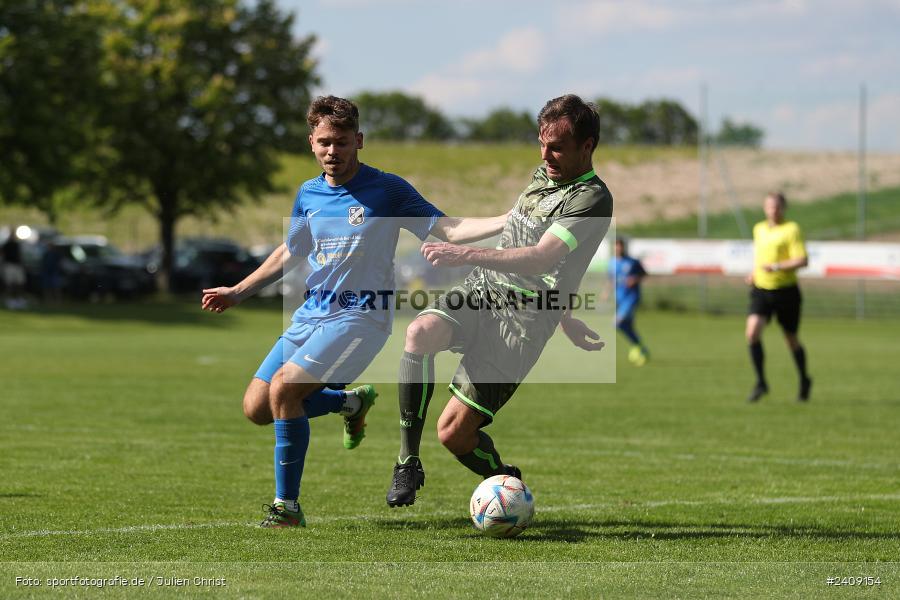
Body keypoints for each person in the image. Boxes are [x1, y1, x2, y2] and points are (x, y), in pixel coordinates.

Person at [200, 96, 506, 528]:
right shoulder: (308, 193)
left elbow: (448, 227)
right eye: (324, 142)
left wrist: (506, 219)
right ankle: (349, 402)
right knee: (257, 407)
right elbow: (291, 250)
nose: (332, 151)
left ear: (358, 141)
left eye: (341, 142)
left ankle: (287, 508)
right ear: (311, 143)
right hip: (311, 314)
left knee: (285, 391)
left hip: (361, 317)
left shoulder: (387, 190)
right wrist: (239, 291)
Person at [386, 94, 613, 508]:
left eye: (558, 146)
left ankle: (505, 483)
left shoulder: (592, 199)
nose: (546, 155)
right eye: (542, 143)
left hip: (523, 321)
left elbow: (544, 257)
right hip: (483, 290)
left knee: (454, 433)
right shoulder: (542, 176)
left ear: (588, 146)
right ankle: (407, 462)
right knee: (419, 332)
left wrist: (465, 254)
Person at [745, 192, 811, 403]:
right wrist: (755, 273)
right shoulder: (759, 229)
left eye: (777, 207)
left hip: (786, 291)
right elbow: (760, 257)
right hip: (762, 290)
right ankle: (761, 382)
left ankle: (804, 380)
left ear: (784, 208)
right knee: (752, 332)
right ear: (765, 208)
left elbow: (802, 260)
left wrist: (776, 267)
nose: (773, 210)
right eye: (769, 206)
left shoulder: (791, 229)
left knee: (791, 339)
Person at [609, 236, 649, 366]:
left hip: (631, 298)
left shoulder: (633, 262)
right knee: (627, 326)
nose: (618, 248)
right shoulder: (612, 263)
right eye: (615, 245)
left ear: (623, 247)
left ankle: (638, 346)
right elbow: (611, 280)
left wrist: (635, 279)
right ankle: (640, 348)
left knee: (617, 322)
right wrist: (605, 293)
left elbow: (644, 274)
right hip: (620, 299)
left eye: (619, 245)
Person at [2, 230, 27, 310]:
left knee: (19, 283)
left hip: (17, 266)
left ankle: (19, 299)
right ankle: (10, 300)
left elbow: (20, 255)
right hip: (9, 265)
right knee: (10, 284)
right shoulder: (6, 244)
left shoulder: (17, 244)